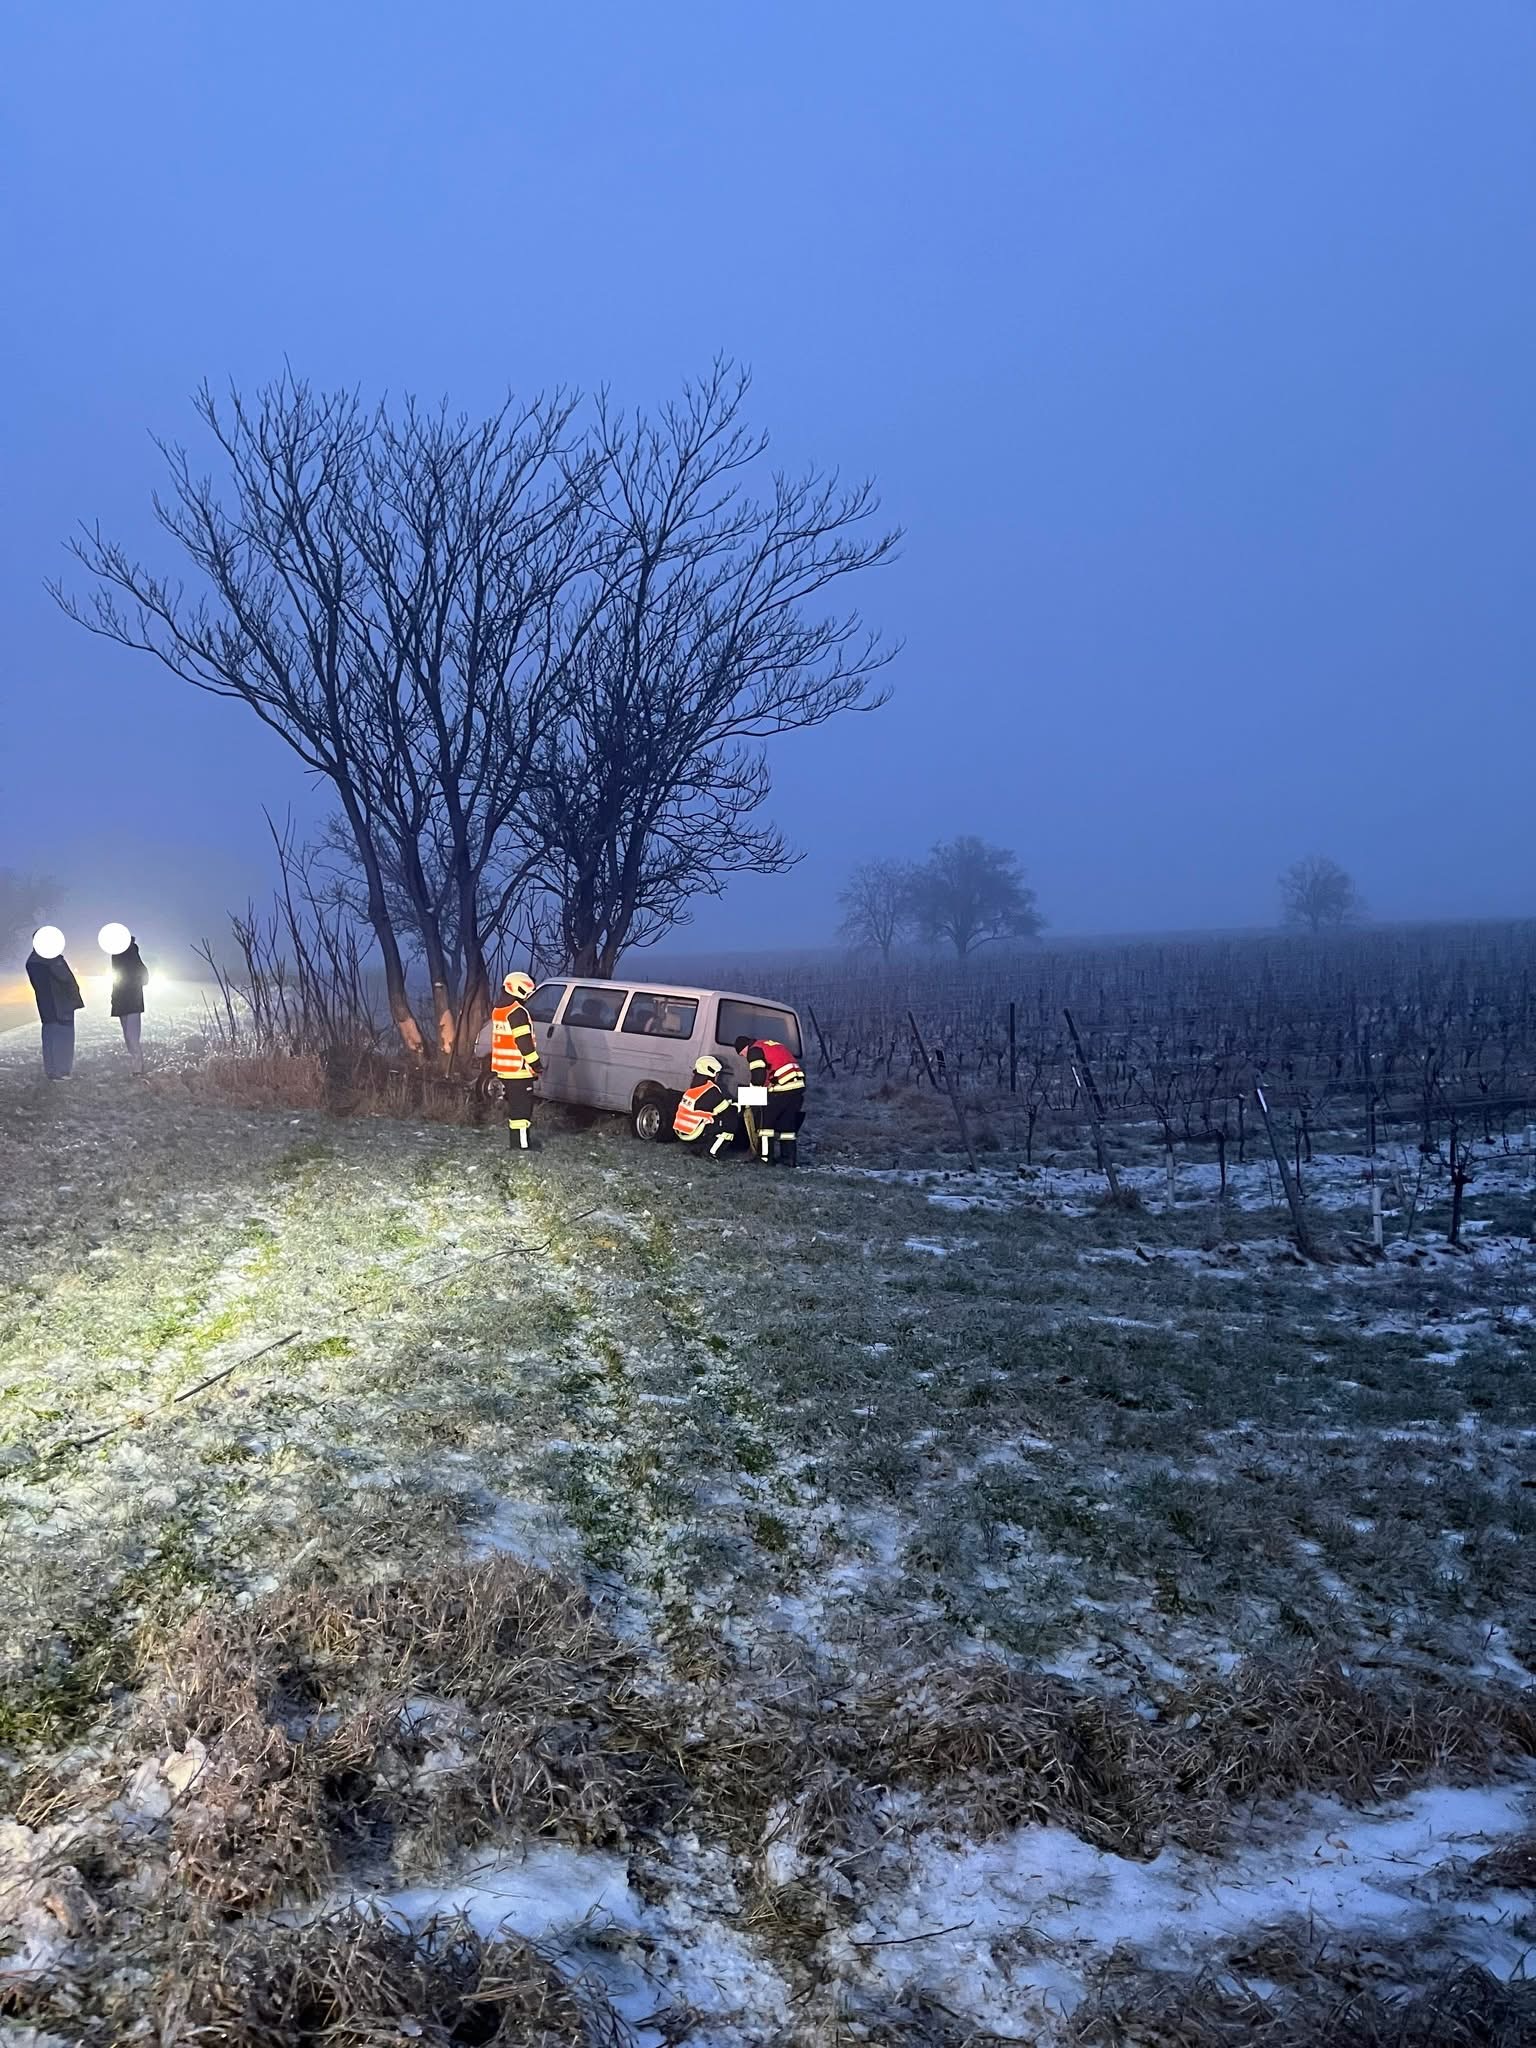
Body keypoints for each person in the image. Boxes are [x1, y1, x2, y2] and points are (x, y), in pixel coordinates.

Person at [733, 1031, 807, 1166]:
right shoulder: (769, 1045)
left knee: (765, 1125)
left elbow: (758, 1077)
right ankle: (788, 1159)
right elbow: (772, 1071)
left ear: (744, 1048)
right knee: (787, 1126)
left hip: (781, 1089)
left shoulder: (754, 1051)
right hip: (797, 1087)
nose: (744, 1057)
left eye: (742, 1054)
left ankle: (764, 1159)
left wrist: (750, 1095)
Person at [490, 971, 542, 1152]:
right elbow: (524, 1042)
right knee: (522, 1112)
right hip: (519, 1070)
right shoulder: (517, 1012)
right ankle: (522, 1148)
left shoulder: (499, 1010)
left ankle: (517, 1144)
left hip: (505, 1069)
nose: (528, 997)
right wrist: (536, 1064)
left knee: (516, 1111)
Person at [25, 927, 84, 1080]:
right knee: (63, 1037)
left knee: (50, 1036)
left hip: (46, 1006)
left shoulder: (32, 960)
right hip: (61, 1004)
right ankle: (62, 1071)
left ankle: (52, 1071)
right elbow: (66, 979)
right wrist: (74, 997)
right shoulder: (51, 959)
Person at [673, 1055, 742, 1159]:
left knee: (715, 1119)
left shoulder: (694, 1087)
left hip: (683, 1132)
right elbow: (724, 1108)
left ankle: (698, 1147)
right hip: (694, 1132)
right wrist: (739, 1105)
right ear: (712, 1072)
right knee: (729, 1121)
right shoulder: (710, 1089)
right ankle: (711, 1152)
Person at [110, 936, 148, 1070]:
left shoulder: (131, 952)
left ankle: (138, 1067)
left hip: (131, 1000)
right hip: (124, 1000)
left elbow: (144, 977)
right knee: (129, 1036)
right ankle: (136, 1066)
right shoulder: (116, 954)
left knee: (131, 1036)